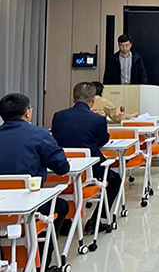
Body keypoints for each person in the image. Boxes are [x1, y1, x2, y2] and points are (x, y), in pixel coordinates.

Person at [0, 93, 70, 266]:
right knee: (61, 206)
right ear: (27, 113)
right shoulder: (39, 134)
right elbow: (62, 168)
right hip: (28, 207)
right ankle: (43, 262)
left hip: (2, 206)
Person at [51, 82, 123, 234]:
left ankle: (65, 222)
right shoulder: (98, 120)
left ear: (73, 98)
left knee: (65, 188)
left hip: (63, 167)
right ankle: (95, 221)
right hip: (91, 168)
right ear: (93, 100)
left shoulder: (58, 116)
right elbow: (103, 140)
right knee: (115, 180)